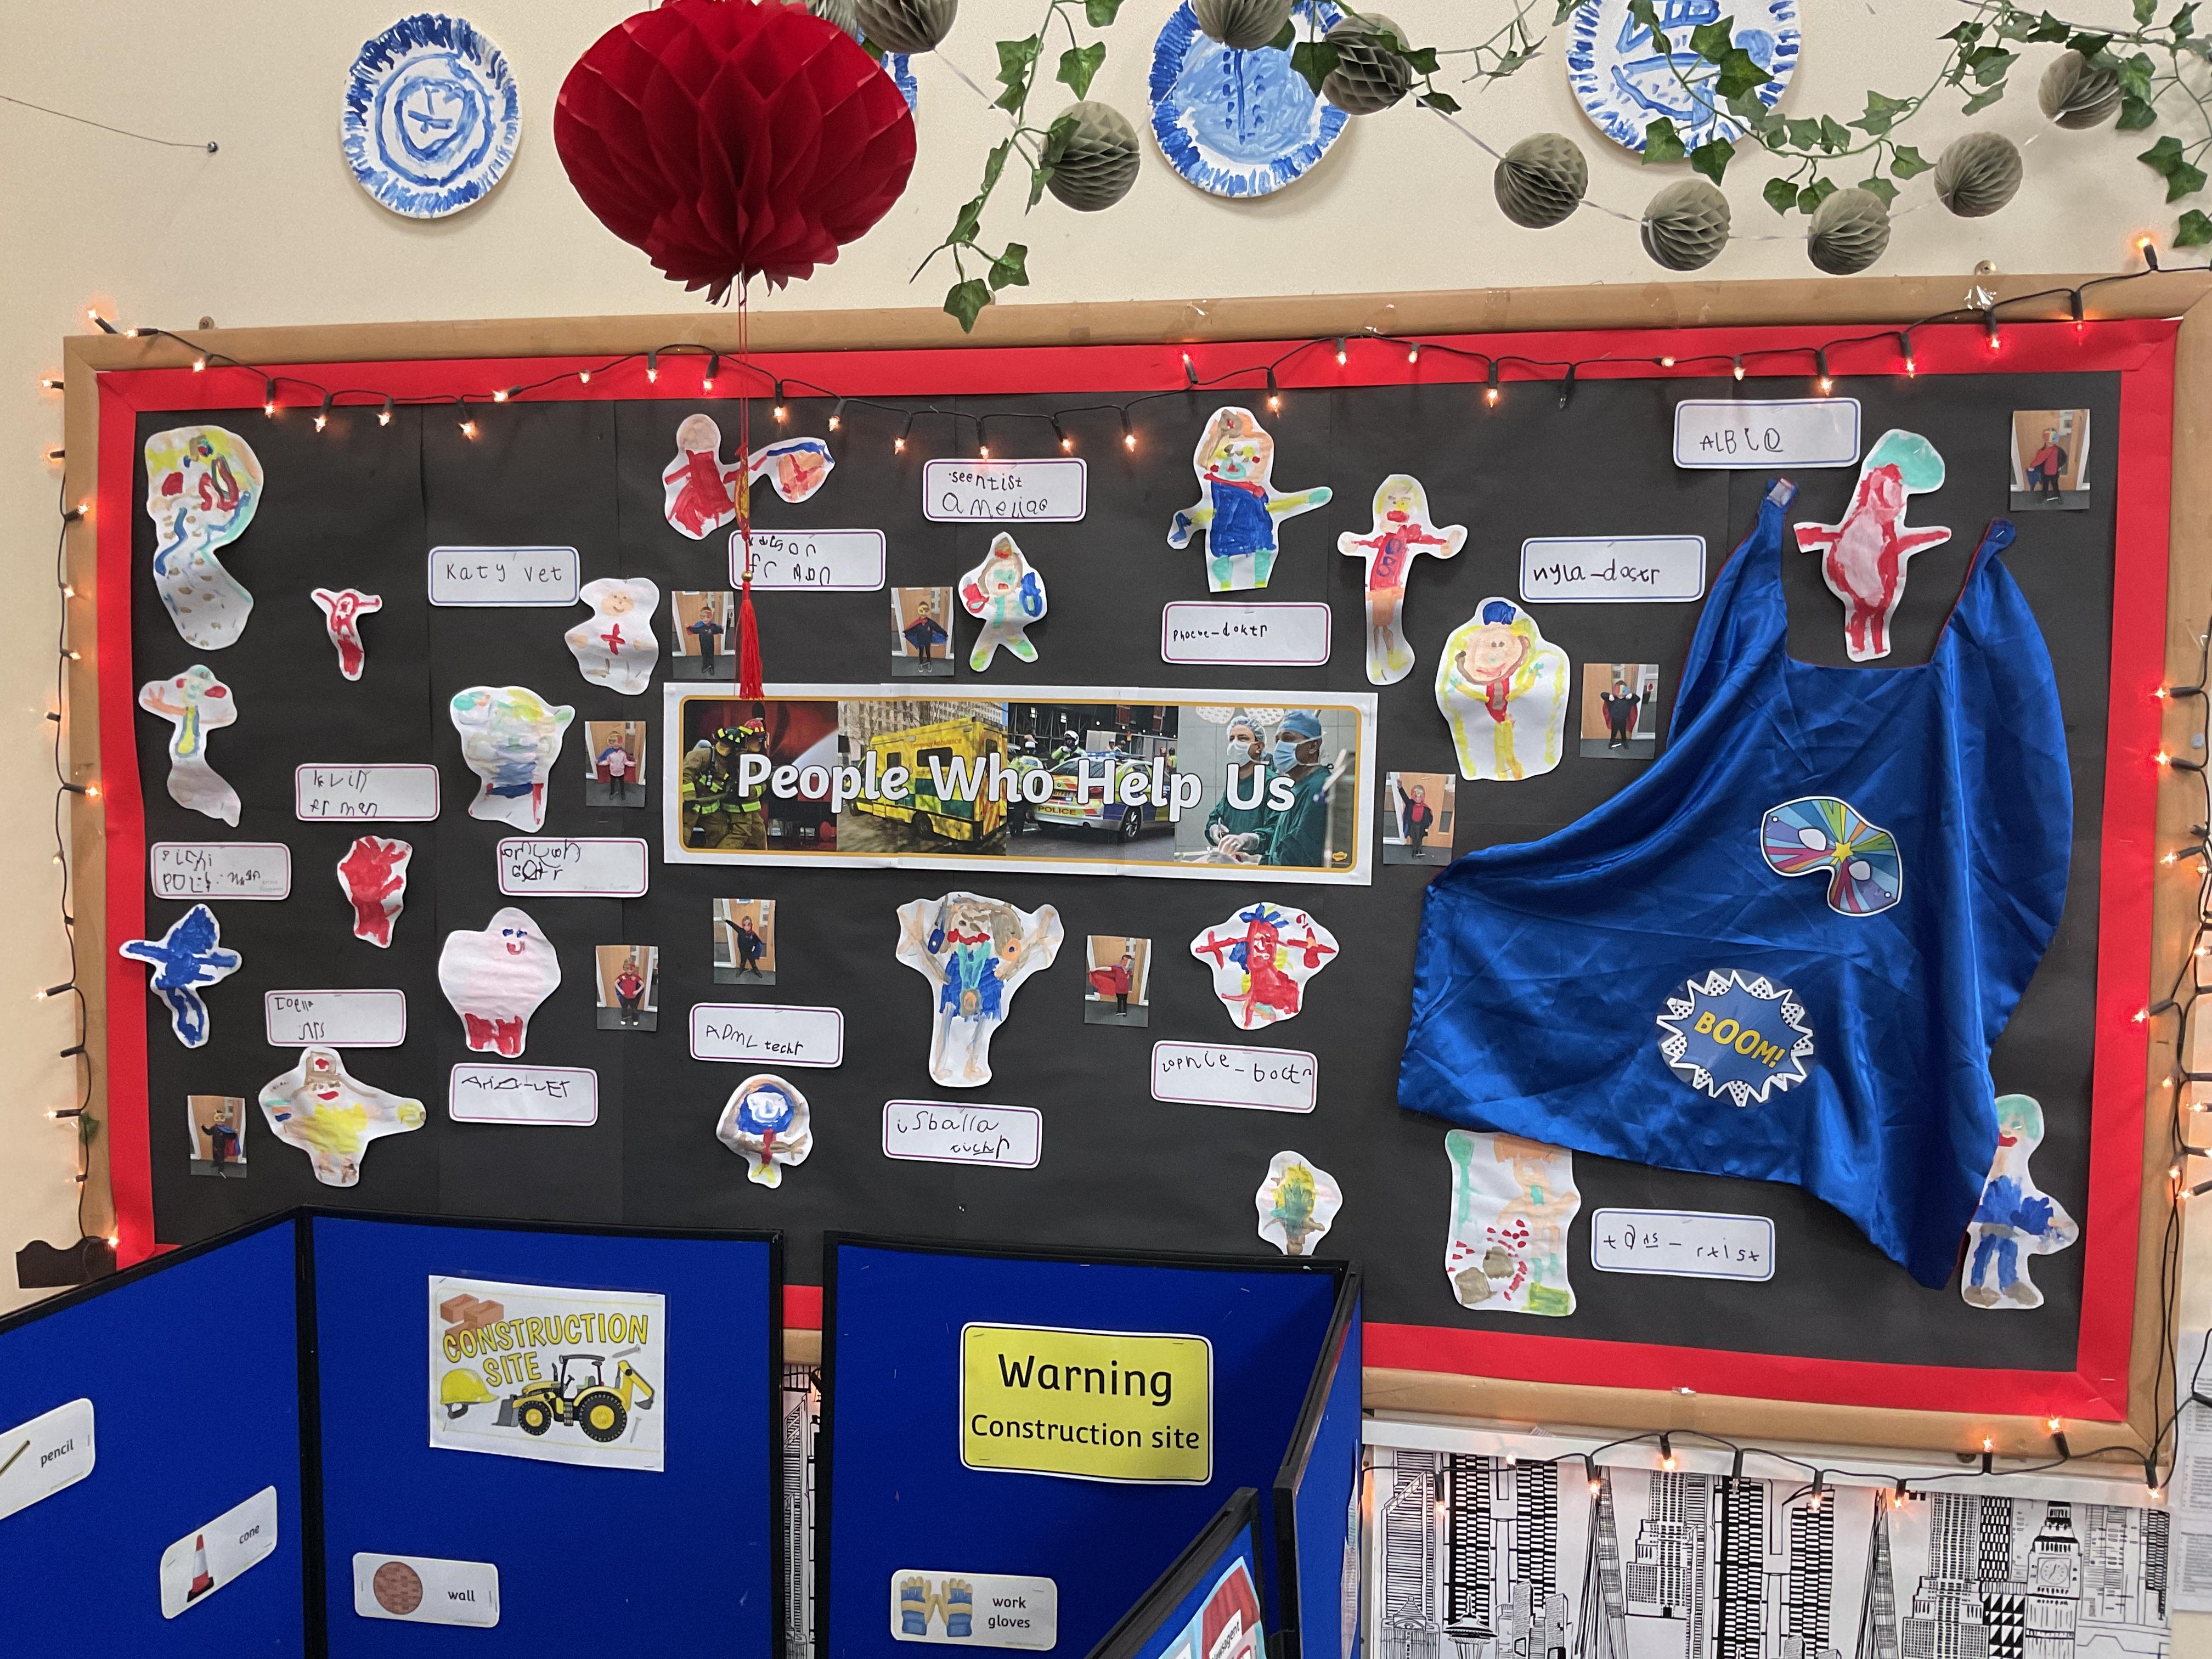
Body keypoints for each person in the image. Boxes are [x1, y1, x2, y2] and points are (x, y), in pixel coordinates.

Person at [1263, 710, 1332, 868]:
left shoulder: (1319, 787)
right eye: (1278, 740)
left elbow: (1298, 856)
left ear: (1313, 746)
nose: (1279, 747)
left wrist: (1256, 863)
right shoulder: (1297, 787)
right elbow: (1284, 840)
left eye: (1288, 739)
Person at [1205, 713, 1274, 859]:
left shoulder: (1272, 784)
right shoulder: (1234, 784)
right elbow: (1216, 816)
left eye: (1243, 738)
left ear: (1259, 747)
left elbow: (1276, 830)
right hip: (1232, 861)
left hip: (1259, 865)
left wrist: (1248, 840)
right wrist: (1214, 828)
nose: (1235, 744)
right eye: (1232, 739)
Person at [902, 594, 948, 665]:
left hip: (928, 641)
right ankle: (921, 663)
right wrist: (905, 633)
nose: (923, 614)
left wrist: (945, 634)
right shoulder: (917, 623)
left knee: (928, 652)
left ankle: (929, 662)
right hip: (920, 641)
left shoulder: (930, 622)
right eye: (922, 611)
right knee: (921, 653)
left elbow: (938, 628)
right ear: (919, 611)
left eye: (926, 611)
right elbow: (912, 630)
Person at [1600, 679, 1644, 749]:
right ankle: (1612, 742)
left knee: (1623, 732)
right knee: (1614, 733)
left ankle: (1624, 742)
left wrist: (1632, 696)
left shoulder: (1628, 700)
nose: (1620, 694)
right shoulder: (1612, 699)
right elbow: (1603, 695)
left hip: (1623, 720)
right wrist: (1609, 696)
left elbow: (1638, 699)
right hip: (1614, 720)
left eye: (1623, 690)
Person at [2027, 427, 2067, 501]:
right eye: (2047, 437)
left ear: (2056, 438)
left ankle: (2058, 496)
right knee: (2045, 485)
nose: (2050, 441)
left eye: (2053, 437)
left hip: (2055, 473)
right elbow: (2038, 460)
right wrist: (2034, 467)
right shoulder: (2041, 451)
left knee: (2055, 485)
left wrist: (2060, 466)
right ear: (2044, 438)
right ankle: (2044, 496)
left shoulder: (2059, 450)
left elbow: (2064, 458)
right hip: (2045, 473)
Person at [1396, 778, 1433, 856]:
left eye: (1420, 796)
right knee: (1414, 838)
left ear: (1423, 797)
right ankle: (1414, 850)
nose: (1418, 798)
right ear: (1413, 796)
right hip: (1413, 825)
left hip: (1421, 826)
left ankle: (1419, 849)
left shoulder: (1425, 808)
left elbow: (1429, 818)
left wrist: (1427, 827)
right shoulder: (1410, 804)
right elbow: (1404, 797)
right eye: (1416, 796)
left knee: (1420, 839)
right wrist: (1400, 787)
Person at [688, 601, 726, 675]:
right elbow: (694, 630)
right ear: (701, 616)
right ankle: (705, 666)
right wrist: (688, 627)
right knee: (705, 655)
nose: (706, 619)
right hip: (703, 644)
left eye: (708, 617)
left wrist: (723, 628)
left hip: (711, 644)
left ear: (711, 617)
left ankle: (712, 667)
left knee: (711, 656)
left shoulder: (713, 626)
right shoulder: (699, 625)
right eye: (704, 616)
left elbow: (718, 630)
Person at [598, 736, 633, 800]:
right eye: (614, 741)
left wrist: (633, 764)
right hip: (613, 772)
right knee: (612, 784)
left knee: (622, 784)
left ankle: (623, 793)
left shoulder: (623, 753)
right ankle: (612, 792)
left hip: (621, 773)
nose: (616, 743)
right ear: (610, 742)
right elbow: (608, 762)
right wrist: (600, 763)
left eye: (618, 741)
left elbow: (626, 762)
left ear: (620, 742)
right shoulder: (609, 753)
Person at [614, 955, 645, 1025]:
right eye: (627, 969)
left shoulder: (635, 977)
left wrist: (637, 991)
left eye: (631, 969)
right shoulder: (623, 977)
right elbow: (615, 983)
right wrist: (620, 990)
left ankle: (635, 1019)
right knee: (624, 1009)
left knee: (634, 1010)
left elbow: (643, 985)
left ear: (633, 969)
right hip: (625, 997)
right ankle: (624, 1019)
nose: (629, 971)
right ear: (625, 968)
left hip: (633, 998)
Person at [733, 913, 766, 977]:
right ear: (743, 925)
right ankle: (741, 970)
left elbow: (757, 942)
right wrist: (726, 921)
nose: (747, 927)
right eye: (745, 925)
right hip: (743, 952)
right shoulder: (741, 931)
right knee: (742, 963)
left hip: (750, 952)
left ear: (751, 925)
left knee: (753, 963)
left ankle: (756, 971)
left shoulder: (753, 934)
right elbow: (734, 925)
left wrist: (753, 948)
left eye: (748, 925)